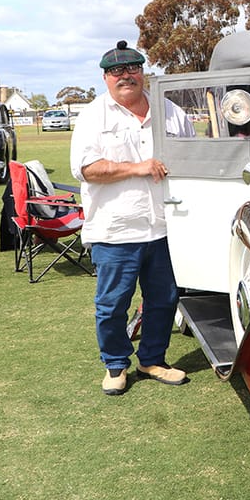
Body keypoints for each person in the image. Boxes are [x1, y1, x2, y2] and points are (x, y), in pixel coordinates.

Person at [70, 40, 195, 395]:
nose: (125, 76)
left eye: (132, 69)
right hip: (115, 230)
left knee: (164, 300)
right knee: (112, 305)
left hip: (165, 226)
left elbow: (191, 156)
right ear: (106, 78)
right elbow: (87, 169)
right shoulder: (93, 115)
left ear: (143, 72)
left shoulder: (169, 111)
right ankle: (115, 365)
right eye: (116, 71)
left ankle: (152, 360)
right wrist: (138, 167)